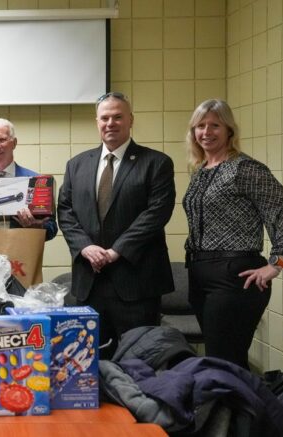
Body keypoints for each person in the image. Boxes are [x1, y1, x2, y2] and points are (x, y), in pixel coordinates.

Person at [183, 99, 283, 369]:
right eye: (200, 126)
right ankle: (238, 410)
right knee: (224, 362)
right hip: (200, 274)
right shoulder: (201, 170)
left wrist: (277, 264)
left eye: (215, 125)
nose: (206, 132)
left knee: (223, 363)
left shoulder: (245, 169)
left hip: (236, 277)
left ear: (229, 130)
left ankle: (237, 411)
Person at [57, 92, 176, 359]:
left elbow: (157, 213)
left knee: (139, 362)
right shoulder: (76, 164)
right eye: (105, 118)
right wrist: (86, 247)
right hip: (90, 281)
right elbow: (65, 211)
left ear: (130, 120)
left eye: (118, 117)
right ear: (97, 122)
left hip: (137, 282)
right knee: (89, 363)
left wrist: (115, 251)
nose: (111, 123)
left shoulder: (156, 163)